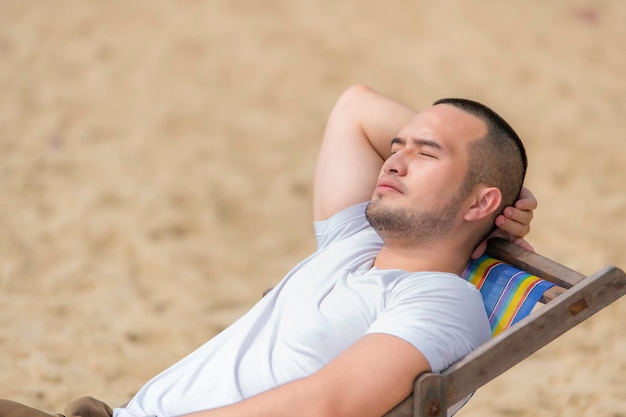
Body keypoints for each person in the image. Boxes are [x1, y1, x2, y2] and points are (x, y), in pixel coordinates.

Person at [0, 84, 537, 417]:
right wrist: (491, 187)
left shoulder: (440, 300)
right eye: (397, 146)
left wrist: (490, 185)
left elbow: (327, 407)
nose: (393, 161)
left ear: (478, 202)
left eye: (426, 154)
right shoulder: (354, 243)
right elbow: (354, 106)